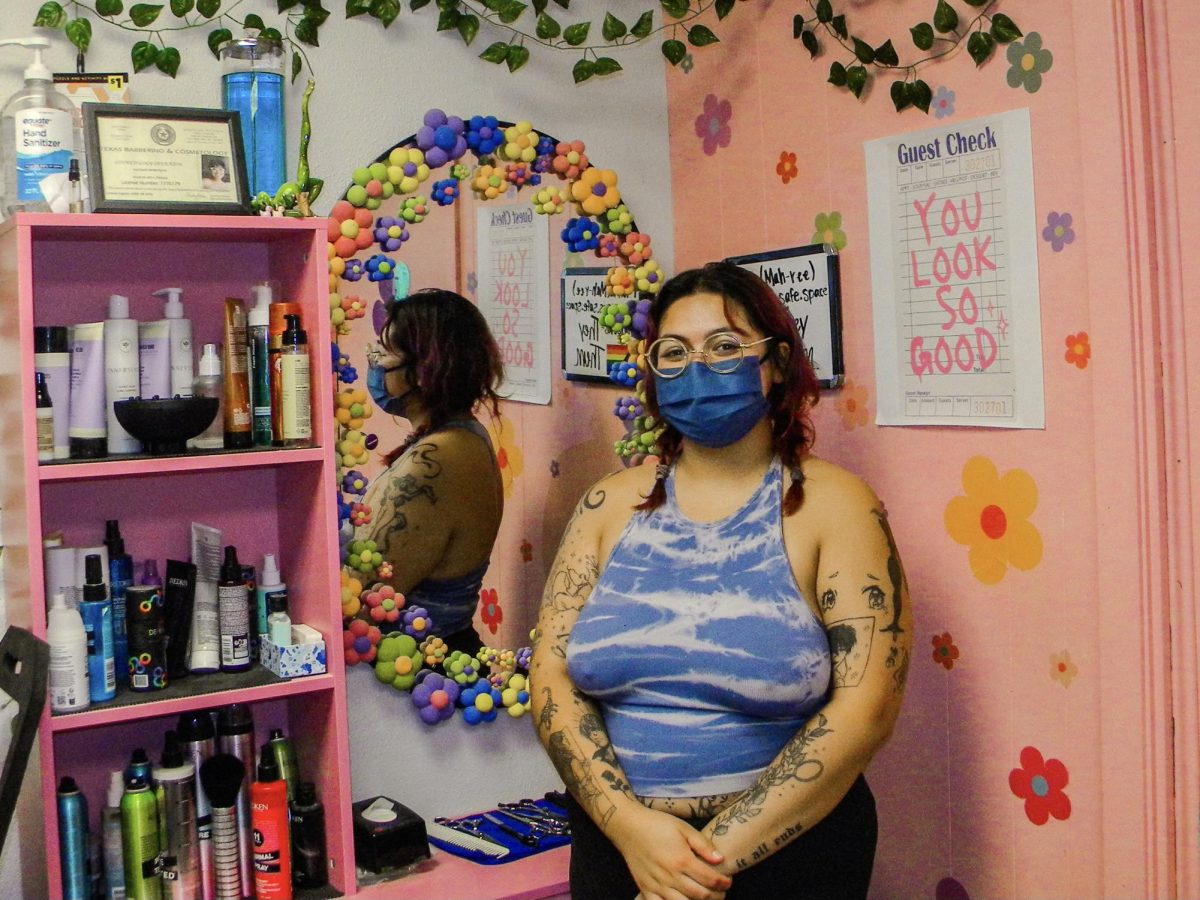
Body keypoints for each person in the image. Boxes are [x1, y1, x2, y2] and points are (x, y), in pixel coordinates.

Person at [530, 261, 912, 900]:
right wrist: (628, 828)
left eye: (726, 346)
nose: (697, 368)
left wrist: (697, 866)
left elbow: (865, 711)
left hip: (784, 859)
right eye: (673, 352)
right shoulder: (606, 504)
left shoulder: (838, 506)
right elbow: (550, 675)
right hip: (620, 850)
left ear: (777, 363)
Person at [356, 288, 504, 656]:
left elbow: (362, 598)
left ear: (423, 371)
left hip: (422, 671)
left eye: (385, 353)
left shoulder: (436, 460)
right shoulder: (461, 434)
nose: (375, 363)